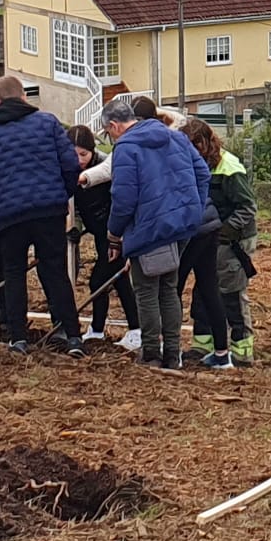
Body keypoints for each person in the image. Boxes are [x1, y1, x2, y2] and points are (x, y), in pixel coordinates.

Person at [0, 75, 83, 358]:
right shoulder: (47, 122)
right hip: (49, 211)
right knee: (56, 272)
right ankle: (72, 336)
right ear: (23, 97)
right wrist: (61, 195)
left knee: (13, 274)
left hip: (8, 215)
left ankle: (18, 338)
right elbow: (70, 164)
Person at [108, 95, 212, 369]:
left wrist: (114, 233)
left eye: (108, 131)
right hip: (181, 226)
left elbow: (124, 199)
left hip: (148, 228)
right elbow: (203, 173)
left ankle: (152, 353)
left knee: (146, 290)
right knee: (168, 288)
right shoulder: (175, 138)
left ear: (116, 125)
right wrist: (193, 210)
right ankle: (173, 354)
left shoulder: (126, 149)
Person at [181, 118, 257, 365]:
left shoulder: (229, 167)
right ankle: (203, 344)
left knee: (231, 292)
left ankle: (242, 349)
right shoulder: (194, 164)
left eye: (194, 145)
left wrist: (226, 231)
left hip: (232, 239)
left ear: (205, 142)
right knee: (203, 290)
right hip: (208, 236)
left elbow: (247, 208)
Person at [61, 123, 139, 343]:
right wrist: (75, 227)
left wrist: (119, 233)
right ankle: (130, 329)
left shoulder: (106, 165)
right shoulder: (68, 169)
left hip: (114, 233)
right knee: (120, 281)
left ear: (92, 150)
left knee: (98, 281)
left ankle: (101, 328)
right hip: (97, 232)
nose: (78, 160)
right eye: (73, 154)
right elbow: (71, 203)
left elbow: (121, 198)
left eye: (83, 154)